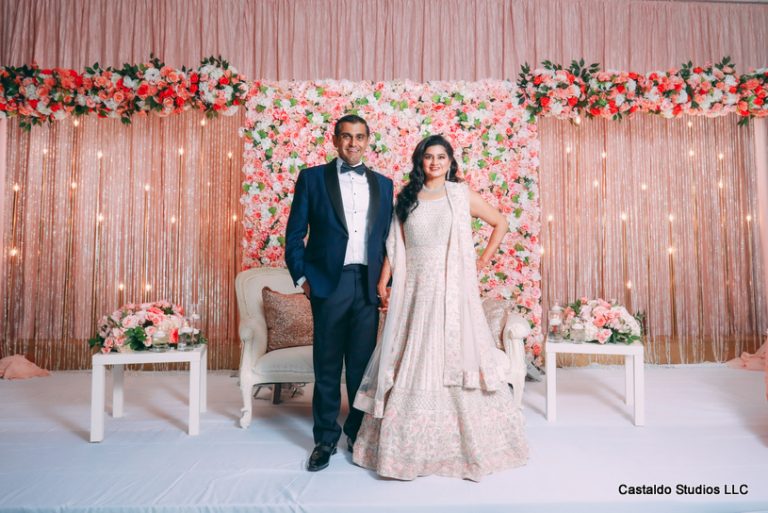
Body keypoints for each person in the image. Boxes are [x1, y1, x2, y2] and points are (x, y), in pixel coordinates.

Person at [352, 135, 529, 481]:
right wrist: (383, 281)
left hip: (451, 289)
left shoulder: (460, 196)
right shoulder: (406, 198)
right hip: (415, 289)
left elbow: (501, 223)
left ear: (450, 161)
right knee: (412, 353)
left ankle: (465, 445)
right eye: (428, 157)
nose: (434, 163)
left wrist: (479, 262)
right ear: (420, 162)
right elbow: (394, 244)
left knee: (454, 354)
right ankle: (404, 446)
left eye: (441, 157)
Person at [285, 114, 394, 472]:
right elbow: (294, 232)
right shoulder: (312, 178)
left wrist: (386, 282)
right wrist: (303, 278)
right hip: (328, 285)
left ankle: (358, 434)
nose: (353, 143)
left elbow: (388, 239)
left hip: (367, 285)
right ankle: (325, 439)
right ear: (334, 141)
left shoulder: (385, 185)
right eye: (346, 137)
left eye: (360, 137)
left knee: (362, 368)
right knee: (328, 365)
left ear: (368, 141)